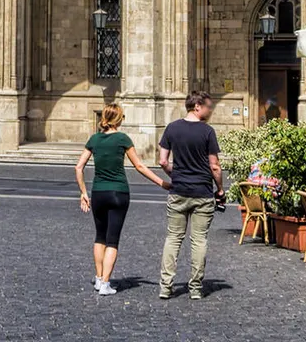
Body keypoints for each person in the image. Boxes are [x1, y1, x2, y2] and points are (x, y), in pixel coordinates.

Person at [76, 105, 171, 294]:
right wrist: (163, 183)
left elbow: (78, 167)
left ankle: (98, 278)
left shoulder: (94, 139)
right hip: (119, 193)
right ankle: (105, 283)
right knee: (113, 240)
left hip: (98, 193)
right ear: (119, 119)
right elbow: (140, 166)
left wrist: (83, 193)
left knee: (99, 236)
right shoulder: (122, 139)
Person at [156, 91, 224, 301]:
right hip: (202, 193)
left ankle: (166, 287)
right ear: (197, 106)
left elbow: (163, 161)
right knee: (199, 240)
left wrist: (174, 175)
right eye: (208, 107)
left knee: (173, 238)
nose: (210, 110)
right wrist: (220, 189)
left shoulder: (172, 128)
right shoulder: (207, 132)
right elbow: (214, 166)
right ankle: (195, 288)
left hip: (178, 192)